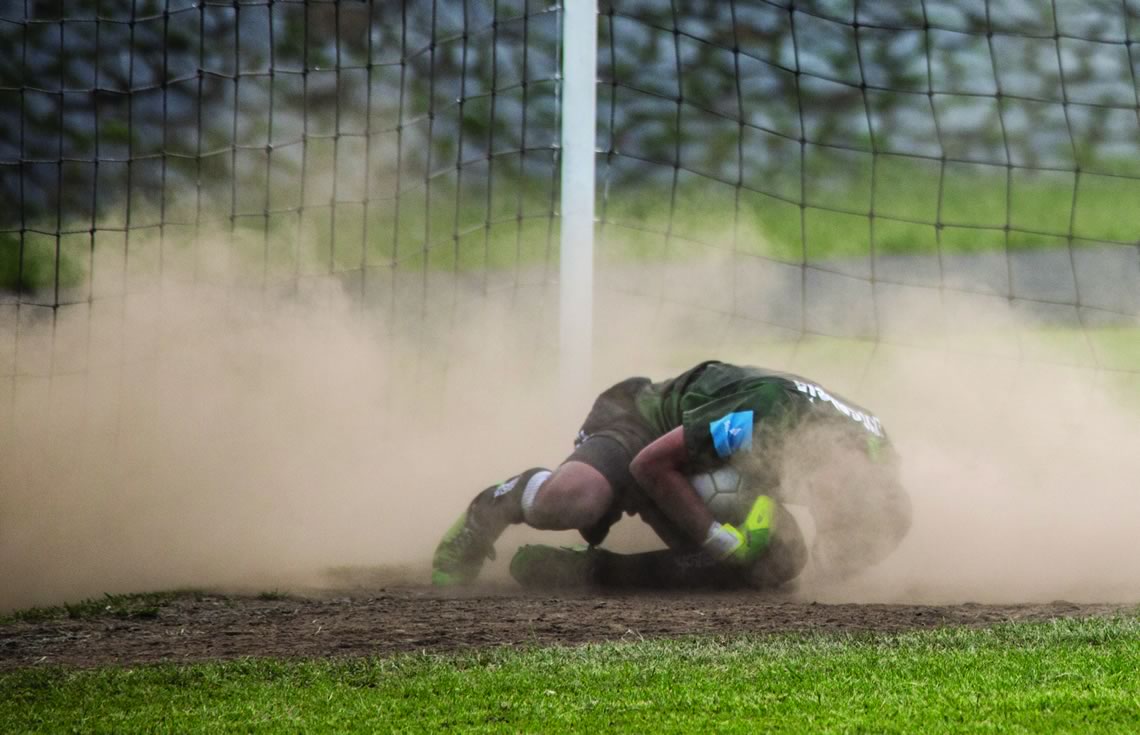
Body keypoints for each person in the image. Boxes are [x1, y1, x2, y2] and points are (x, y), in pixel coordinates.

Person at [431, 360, 911, 590]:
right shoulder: (764, 419)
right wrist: (714, 537)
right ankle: (493, 507)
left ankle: (589, 573)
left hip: (712, 461)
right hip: (647, 425)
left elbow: (868, 526)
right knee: (575, 499)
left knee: (777, 566)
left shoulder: (870, 453)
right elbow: (650, 465)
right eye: (838, 510)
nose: (829, 512)